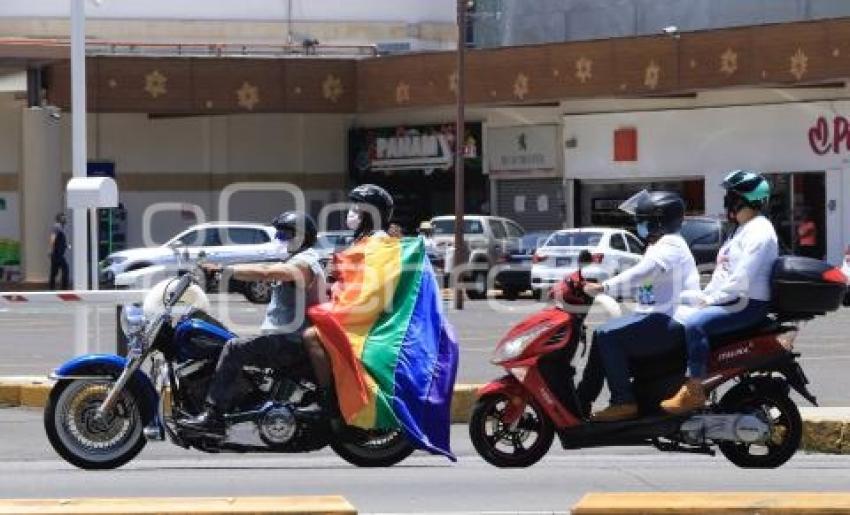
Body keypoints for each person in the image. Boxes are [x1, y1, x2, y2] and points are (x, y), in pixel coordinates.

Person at [178, 211, 326, 435]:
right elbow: (264, 266)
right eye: (278, 233)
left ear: (301, 236)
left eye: (284, 233)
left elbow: (268, 272)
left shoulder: (306, 262)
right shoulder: (295, 259)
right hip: (283, 337)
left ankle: (213, 415)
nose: (279, 238)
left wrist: (226, 270)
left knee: (234, 348)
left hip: (292, 340)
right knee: (220, 337)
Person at [661, 170, 778, 414]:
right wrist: (697, 296)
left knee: (696, 324)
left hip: (747, 304)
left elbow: (740, 278)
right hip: (732, 300)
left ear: (744, 199)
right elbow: (722, 274)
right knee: (673, 314)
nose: (726, 201)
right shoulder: (739, 230)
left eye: (730, 195)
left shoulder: (760, 231)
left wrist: (710, 301)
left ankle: (694, 391)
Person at [582, 191, 700, 422]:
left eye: (642, 219)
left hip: (672, 320)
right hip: (657, 316)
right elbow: (645, 286)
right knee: (601, 333)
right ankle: (582, 399)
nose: (638, 224)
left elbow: (645, 272)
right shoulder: (657, 245)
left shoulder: (671, 243)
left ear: (659, 220)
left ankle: (623, 402)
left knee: (608, 336)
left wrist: (604, 287)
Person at [302, 184, 394, 411]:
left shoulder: (379, 240)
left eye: (357, 208)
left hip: (363, 314)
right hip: (352, 305)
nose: (351, 213)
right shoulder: (363, 238)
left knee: (310, 336)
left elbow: (372, 283)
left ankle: (327, 397)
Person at [48, 213, 69, 290]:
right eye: (63, 218)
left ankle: (52, 288)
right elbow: (52, 238)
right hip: (57, 254)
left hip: (57, 253)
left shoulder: (60, 227)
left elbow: (59, 240)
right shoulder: (57, 226)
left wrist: (66, 245)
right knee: (65, 269)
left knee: (54, 271)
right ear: (59, 219)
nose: (65, 219)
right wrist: (50, 249)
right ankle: (64, 288)